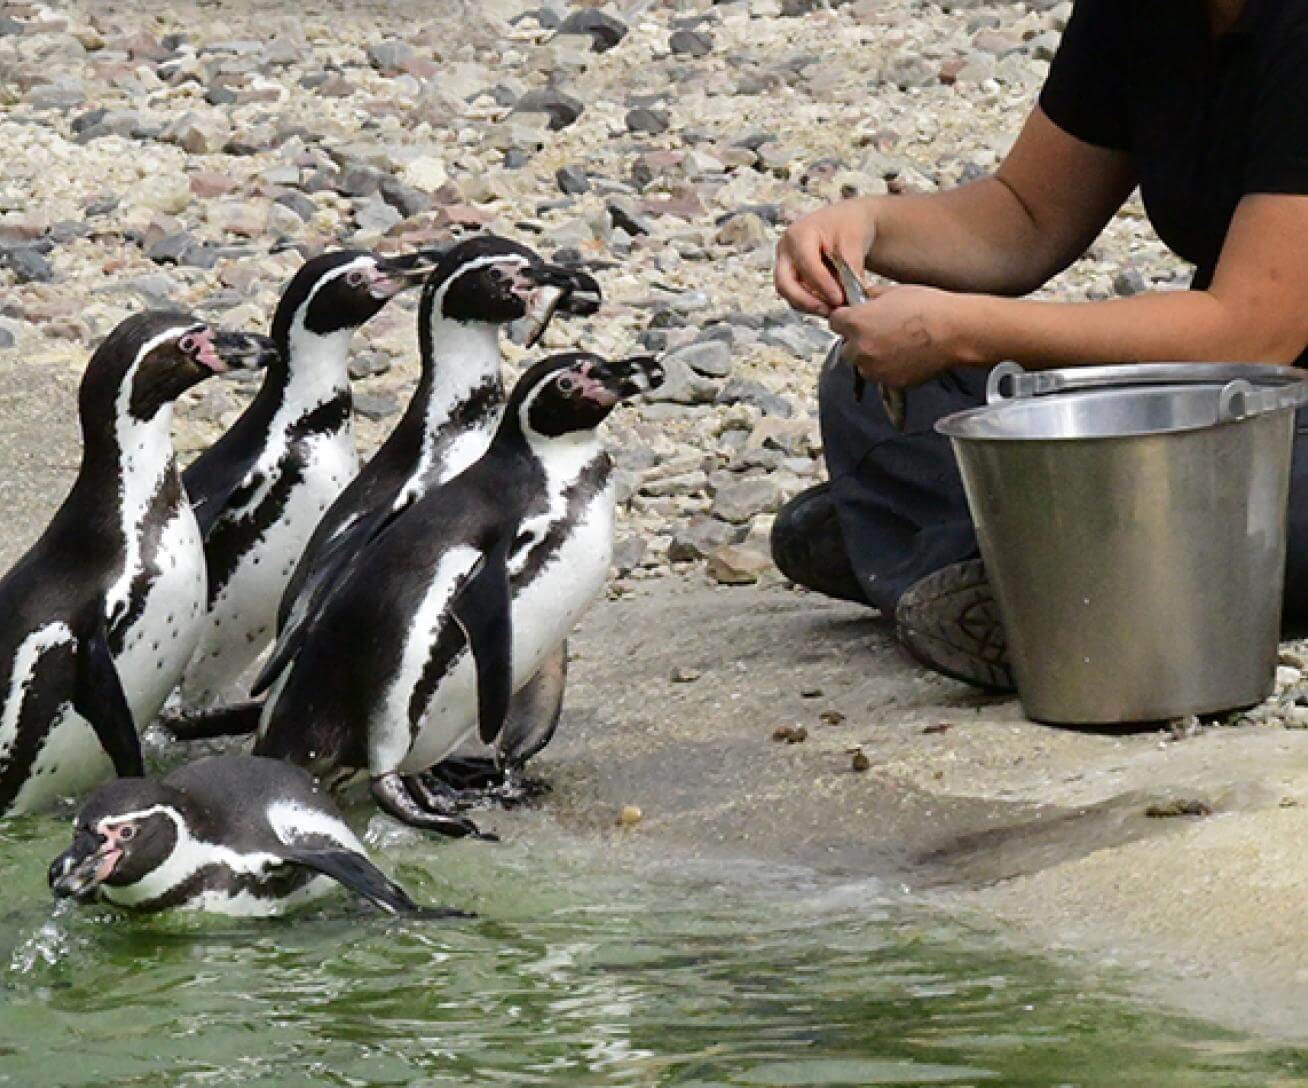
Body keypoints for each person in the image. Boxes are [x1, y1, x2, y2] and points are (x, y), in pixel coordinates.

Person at [772, 0, 1308, 691]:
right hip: (1239, 405)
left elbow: (1250, 333)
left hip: (1270, 408)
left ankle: (971, 561)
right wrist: (865, 225)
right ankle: (1036, 572)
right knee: (880, 382)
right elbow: (1025, 216)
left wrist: (961, 331)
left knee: (1251, 491)